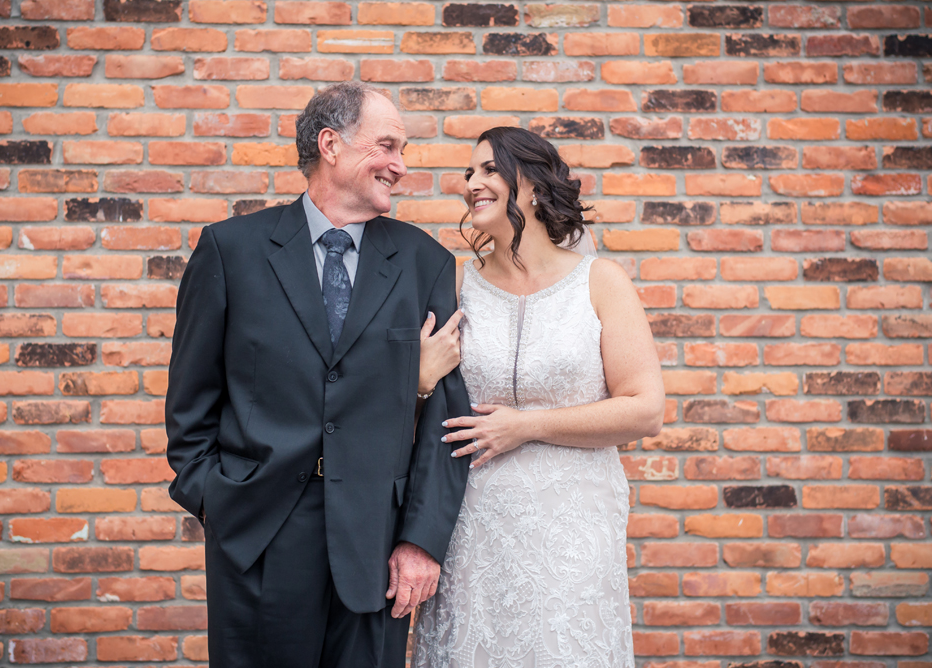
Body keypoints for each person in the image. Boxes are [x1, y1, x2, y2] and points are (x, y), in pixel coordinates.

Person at [165, 82, 470, 668]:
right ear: (331, 145)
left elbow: (445, 423)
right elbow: (189, 406)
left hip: (376, 549)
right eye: (387, 146)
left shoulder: (425, 263)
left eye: (402, 151)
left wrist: (420, 540)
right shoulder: (230, 251)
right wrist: (215, 502)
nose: (400, 166)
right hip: (257, 538)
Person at [412, 127, 665, 668]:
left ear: (531, 185)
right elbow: (420, 407)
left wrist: (527, 425)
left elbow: (645, 408)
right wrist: (420, 379)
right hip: (472, 525)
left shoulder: (600, 282)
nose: (472, 183)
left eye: (488, 170)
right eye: (469, 173)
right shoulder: (455, 285)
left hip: (573, 527)